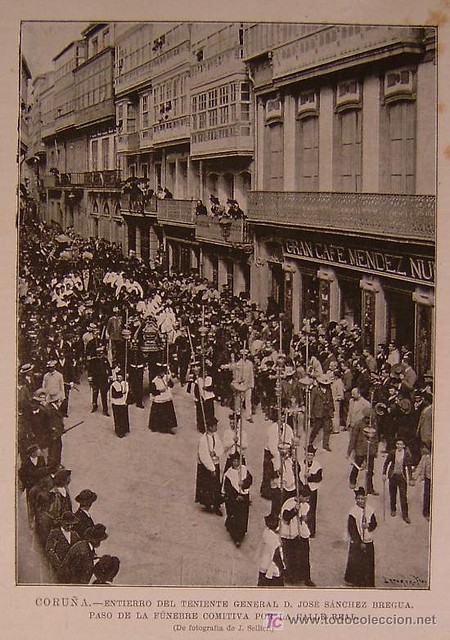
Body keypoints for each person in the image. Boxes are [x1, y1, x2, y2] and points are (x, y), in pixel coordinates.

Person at [279, 485, 315, 586]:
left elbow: (307, 516)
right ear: (301, 496)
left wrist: (305, 518)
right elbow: (286, 517)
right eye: (306, 497)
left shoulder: (306, 505)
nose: (308, 500)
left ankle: (306, 578)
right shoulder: (289, 503)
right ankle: (292, 576)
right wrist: (295, 510)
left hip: (302, 532)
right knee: (292, 556)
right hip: (290, 533)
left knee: (304, 556)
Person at [344, 487, 377, 588]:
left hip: (367, 539)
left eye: (362, 499)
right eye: (358, 499)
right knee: (356, 561)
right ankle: (355, 581)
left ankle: (367, 582)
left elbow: (374, 524)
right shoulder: (353, 512)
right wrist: (359, 542)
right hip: (358, 541)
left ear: (365, 499)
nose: (360, 501)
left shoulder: (370, 510)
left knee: (368, 562)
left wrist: (368, 526)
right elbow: (352, 529)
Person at [221, 451, 253, 547]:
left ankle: (241, 534)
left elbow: (250, 479)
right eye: (234, 461)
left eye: (237, 461)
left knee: (242, 517)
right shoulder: (229, 473)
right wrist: (236, 496)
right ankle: (236, 537)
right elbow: (228, 488)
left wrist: (244, 483)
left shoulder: (244, 469)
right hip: (233, 498)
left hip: (243, 496)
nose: (236, 463)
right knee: (234, 516)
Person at [347, 406, 379, 495]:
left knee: (370, 470)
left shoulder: (374, 424)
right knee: (357, 466)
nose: (370, 420)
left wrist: (376, 450)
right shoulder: (359, 424)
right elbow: (353, 438)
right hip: (360, 450)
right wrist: (349, 451)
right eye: (368, 418)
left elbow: (376, 438)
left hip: (370, 450)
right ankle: (352, 480)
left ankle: (369, 488)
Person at [195, 417, 224, 515]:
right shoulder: (203, 439)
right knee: (207, 486)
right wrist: (211, 468)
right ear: (209, 427)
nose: (216, 427)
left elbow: (221, 448)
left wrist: (215, 453)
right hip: (207, 467)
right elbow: (203, 456)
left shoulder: (216, 436)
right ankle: (208, 503)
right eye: (214, 426)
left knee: (216, 486)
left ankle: (216, 505)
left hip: (215, 463)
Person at [382, 438, 414, 523]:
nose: (399, 446)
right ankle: (393, 509)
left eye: (401, 444)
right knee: (393, 494)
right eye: (398, 444)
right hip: (393, 476)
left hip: (402, 478)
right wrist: (384, 474)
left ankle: (405, 515)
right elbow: (386, 463)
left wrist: (410, 478)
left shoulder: (406, 454)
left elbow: (409, 467)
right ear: (396, 445)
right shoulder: (392, 452)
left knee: (403, 496)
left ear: (404, 446)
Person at [45, 511, 80, 582]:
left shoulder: (75, 535)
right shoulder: (54, 533)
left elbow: (78, 550)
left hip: (71, 570)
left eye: (71, 524)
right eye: (67, 524)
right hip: (57, 569)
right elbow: (49, 551)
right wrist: (59, 566)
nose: (70, 527)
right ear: (62, 523)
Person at [297, 445, 322, 537]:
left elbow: (319, 478)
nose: (309, 456)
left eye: (311, 455)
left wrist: (310, 476)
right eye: (308, 454)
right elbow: (296, 476)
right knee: (300, 508)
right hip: (302, 488)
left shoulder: (317, 466)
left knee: (311, 509)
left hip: (312, 489)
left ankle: (311, 531)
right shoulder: (300, 464)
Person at [257, 514, 285, 587]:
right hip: (272, 566)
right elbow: (277, 556)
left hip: (264, 562)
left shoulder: (266, 532)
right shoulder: (275, 540)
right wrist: (282, 567)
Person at [148, 363, 177, 434]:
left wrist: (169, 381)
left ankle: (168, 427)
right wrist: (160, 390)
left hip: (166, 397)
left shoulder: (166, 378)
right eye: (159, 373)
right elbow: (153, 391)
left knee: (168, 413)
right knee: (158, 413)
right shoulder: (154, 381)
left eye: (162, 373)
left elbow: (171, 385)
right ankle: (156, 426)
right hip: (159, 398)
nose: (161, 374)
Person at [309, 374, 334, 451]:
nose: (325, 385)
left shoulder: (329, 390)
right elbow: (311, 402)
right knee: (315, 429)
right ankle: (310, 442)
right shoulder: (315, 390)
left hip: (327, 413)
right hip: (318, 413)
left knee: (327, 429)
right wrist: (311, 414)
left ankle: (325, 444)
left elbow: (331, 401)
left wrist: (332, 410)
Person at [88, 345, 112, 416]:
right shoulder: (93, 360)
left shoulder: (105, 360)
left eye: (101, 353)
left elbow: (108, 368)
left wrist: (110, 375)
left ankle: (105, 410)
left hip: (103, 379)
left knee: (104, 394)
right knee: (95, 393)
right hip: (95, 378)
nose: (100, 354)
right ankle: (94, 406)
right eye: (98, 353)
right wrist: (90, 377)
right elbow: (90, 369)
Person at [412, 444, 432, 520]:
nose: (423, 449)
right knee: (427, 494)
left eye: (425, 447)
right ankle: (426, 512)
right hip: (428, 478)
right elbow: (420, 467)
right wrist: (414, 478)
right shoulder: (425, 457)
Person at [110, 370, 130, 438]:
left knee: (123, 417)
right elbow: (114, 395)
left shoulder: (125, 384)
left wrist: (126, 400)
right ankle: (119, 431)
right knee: (118, 418)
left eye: (120, 377)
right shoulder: (114, 385)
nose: (119, 378)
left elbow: (127, 393)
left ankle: (124, 429)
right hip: (116, 403)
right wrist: (121, 393)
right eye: (118, 377)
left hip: (123, 402)